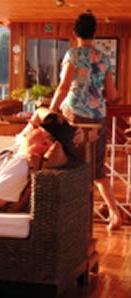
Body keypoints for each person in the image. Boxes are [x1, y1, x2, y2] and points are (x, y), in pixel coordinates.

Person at [48, 12, 123, 230]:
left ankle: (74, 217)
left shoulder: (73, 55)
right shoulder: (103, 58)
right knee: (97, 168)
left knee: (70, 165)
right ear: (95, 33)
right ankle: (114, 214)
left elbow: (63, 88)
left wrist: (52, 111)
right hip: (98, 117)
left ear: (74, 33)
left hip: (75, 115)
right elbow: (111, 94)